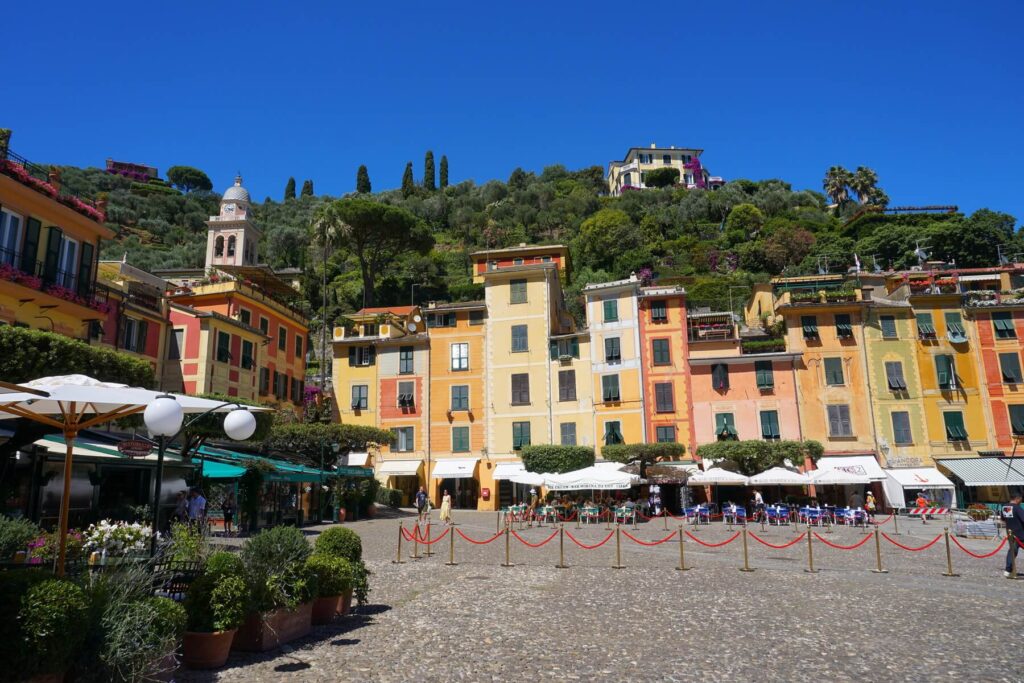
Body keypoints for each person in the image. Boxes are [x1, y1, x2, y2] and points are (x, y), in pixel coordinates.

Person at [1001, 492, 1024, 578]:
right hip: (1021, 534)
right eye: (1021, 499)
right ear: (1017, 499)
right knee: (1013, 551)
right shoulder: (1017, 508)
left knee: (1012, 551)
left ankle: (1008, 570)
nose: (1021, 501)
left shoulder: (1004, 507)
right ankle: (1008, 569)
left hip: (1010, 533)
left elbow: (1003, 519)